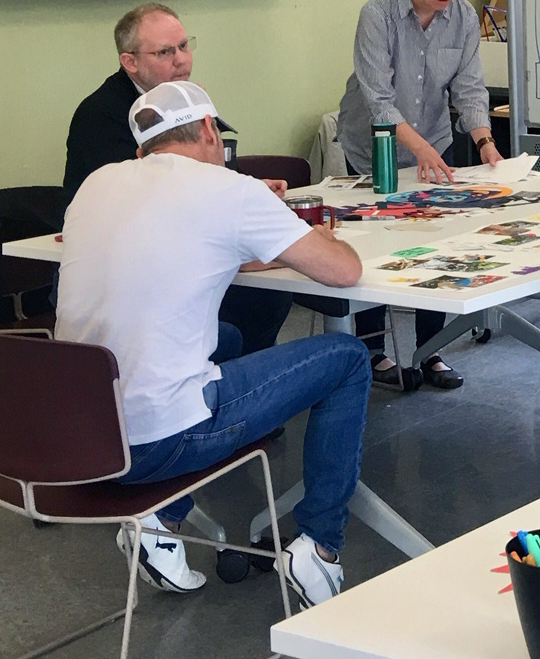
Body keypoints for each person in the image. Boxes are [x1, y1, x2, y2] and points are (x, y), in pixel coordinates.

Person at [56, 82, 373, 606]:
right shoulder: (230, 190)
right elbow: (344, 270)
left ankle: (162, 520)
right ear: (209, 130)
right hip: (156, 442)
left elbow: (208, 252)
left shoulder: (97, 184)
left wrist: (263, 236)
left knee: (225, 339)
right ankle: (319, 545)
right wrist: (304, 234)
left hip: (78, 438)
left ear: (142, 150)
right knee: (346, 360)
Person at [64, 3, 293, 356]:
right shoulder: (102, 115)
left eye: (184, 46)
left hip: (173, 253)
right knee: (256, 297)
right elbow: (145, 199)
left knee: (266, 295)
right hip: (134, 275)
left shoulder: (178, 100)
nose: (181, 61)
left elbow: (197, 176)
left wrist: (248, 188)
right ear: (130, 62)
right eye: (166, 52)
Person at [336, 0, 501, 390]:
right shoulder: (378, 14)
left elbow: (468, 87)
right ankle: (371, 352)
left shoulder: (464, 18)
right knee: (372, 242)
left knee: (433, 243)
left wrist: (485, 141)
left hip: (433, 139)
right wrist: (421, 148)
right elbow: (379, 101)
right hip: (375, 147)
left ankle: (431, 350)